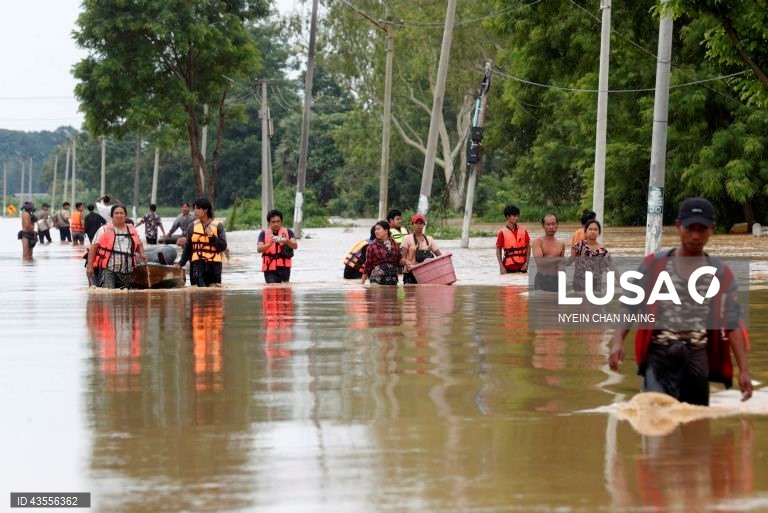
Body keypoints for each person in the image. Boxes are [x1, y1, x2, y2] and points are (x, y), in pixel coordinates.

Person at [608, 197, 753, 406]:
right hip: (659, 354)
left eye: (701, 229)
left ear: (712, 229)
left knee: (696, 426)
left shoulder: (720, 274)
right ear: (678, 226)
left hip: (697, 357)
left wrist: (744, 370)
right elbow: (630, 305)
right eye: (689, 228)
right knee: (655, 420)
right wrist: (618, 340)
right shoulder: (654, 265)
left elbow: (732, 323)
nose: (695, 236)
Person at [86, 204, 147, 289]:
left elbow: (139, 243)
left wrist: (142, 253)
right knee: (108, 295)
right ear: (112, 216)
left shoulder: (132, 230)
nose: (119, 215)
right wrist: (90, 266)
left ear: (126, 215)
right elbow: (93, 247)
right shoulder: (103, 229)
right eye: (116, 213)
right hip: (109, 270)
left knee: (125, 298)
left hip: (128, 270)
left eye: (121, 213)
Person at [177, 198, 227, 287]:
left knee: (214, 294)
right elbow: (188, 247)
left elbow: (223, 246)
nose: (195, 211)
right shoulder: (191, 227)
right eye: (194, 208)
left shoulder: (218, 226)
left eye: (198, 209)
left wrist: (211, 235)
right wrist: (180, 263)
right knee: (197, 295)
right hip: (197, 265)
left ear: (205, 210)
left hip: (214, 266)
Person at [569, 219, 614, 292]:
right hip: (579, 283)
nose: (593, 231)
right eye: (590, 229)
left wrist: (622, 285)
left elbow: (613, 268)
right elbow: (570, 261)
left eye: (595, 229)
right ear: (585, 231)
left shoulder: (602, 251)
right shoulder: (579, 245)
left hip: (595, 284)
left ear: (599, 232)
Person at [257, 209, 297, 283]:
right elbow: (259, 249)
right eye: (273, 222)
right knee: (272, 288)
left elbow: (295, 246)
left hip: (285, 269)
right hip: (270, 270)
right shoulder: (263, 234)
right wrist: (269, 244)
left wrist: (287, 241)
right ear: (269, 222)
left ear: (281, 221)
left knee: (284, 290)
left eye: (278, 221)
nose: (276, 224)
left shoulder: (289, 232)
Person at [402, 213, 442, 284]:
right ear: (412, 224)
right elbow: (403, 257)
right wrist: (407, 263)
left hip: (425, 273)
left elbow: (440, 257)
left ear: (424, 225)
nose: (419, 225)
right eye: (416, 223)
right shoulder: (407, 238)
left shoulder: (429, 239)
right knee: (410, 294)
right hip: (410, 273)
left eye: (421, 223)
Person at [361, 220, 404, 286]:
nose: (376, 231)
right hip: (376, 280)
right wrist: (362, 282)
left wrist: (407, 262)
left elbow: (399, 260)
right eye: (375, 229)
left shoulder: (395, 244)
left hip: (392, 280)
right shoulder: (372, 246)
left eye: (378, 229)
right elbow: (367, 265)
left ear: (386, 231)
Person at [532, 213, 565, 292]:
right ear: (543, 226)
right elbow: (540, 262)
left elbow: (561, 264)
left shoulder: (561, 244)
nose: (551, 227)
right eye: (548, 224)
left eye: (553, 224)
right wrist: (556, 259)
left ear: (557, 225)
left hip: (556, 280)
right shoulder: (538, 242)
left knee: (556, 303)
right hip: (542, 279)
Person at [496, 204, 531, 274]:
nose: (517, 218)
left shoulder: (523, 230)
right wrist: (501, 267)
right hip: (508, 268)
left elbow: (528, 247)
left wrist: (527, 263)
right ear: (508, 217)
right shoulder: (502, 232)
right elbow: (498, 250)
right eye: (514, 216)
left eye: (518, 216)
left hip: (522, 267)